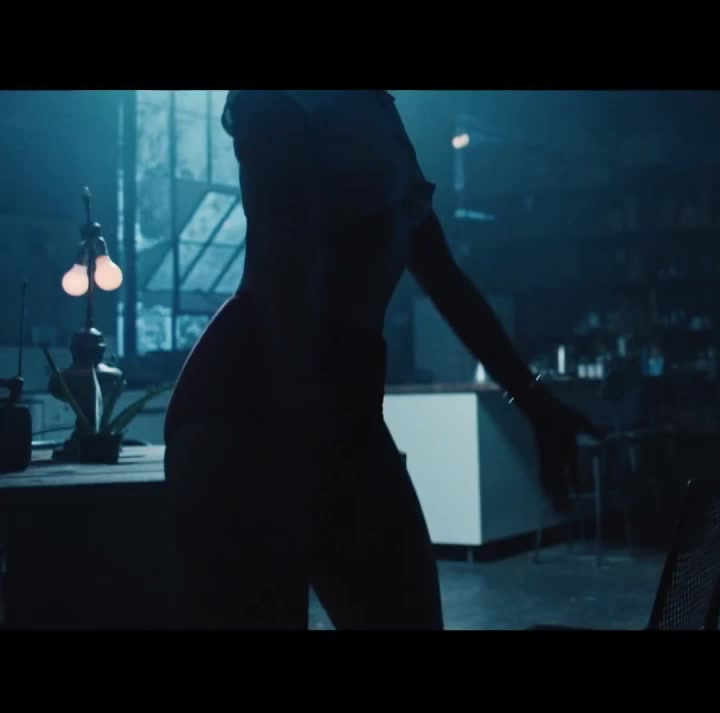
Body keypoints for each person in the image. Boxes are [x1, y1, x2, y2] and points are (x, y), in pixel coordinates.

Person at [163, 90, 596, 630]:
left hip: (334, 403)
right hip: (252, 406)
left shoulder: (377, 115)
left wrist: (537, 403)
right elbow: (288, 251)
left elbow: (442, 275)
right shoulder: (291, 99)